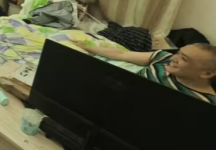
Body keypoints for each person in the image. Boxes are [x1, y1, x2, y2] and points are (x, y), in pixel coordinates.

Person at [73, 41, 216, 104]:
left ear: (207, 74)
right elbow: (122, 54)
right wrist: (86, 47)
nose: (174, 58)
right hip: (114, 94)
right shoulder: (164, 58)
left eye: (184, 59)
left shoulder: (205, 103)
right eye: (178, 53)